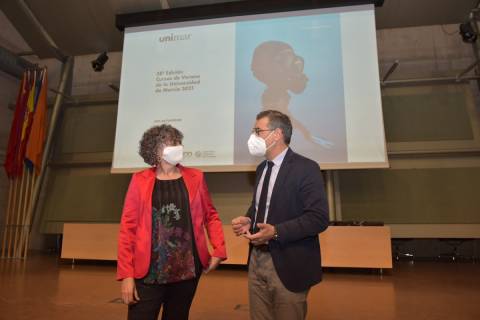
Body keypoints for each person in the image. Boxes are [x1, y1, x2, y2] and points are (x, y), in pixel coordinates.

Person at [117, 124, 227, 320]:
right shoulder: (139, 180)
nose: (176, 147)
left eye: (177, 142)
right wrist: (126, 275)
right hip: (148, 272)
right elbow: (128, 229)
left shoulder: (196, 177)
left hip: (187, 270)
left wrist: (219, 249)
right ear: (155, 150)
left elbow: (211, 216)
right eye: (169, 143)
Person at [232, 110, 329, 320]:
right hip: (257, 260)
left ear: (276, 134)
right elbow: (260, 206)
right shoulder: (261, 169)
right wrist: (249, 219)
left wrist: (276, 232)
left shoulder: (306, 168)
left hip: (290, 261)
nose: (253, 136)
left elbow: (318, 218)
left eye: (258, 131)